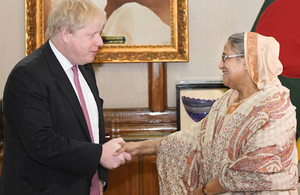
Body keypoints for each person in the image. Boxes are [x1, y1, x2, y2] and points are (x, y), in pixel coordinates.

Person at [115, 32, 299, 194]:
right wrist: (145, 147)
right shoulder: (227, 100)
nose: (220, 64)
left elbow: (255, 168)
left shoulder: (276, 106)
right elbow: (197, 138)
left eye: (225, 57)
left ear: (248, 61)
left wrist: (206, 191)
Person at [0, 0, 131, 194]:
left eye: (100, 34)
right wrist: (99, 155)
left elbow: (92, 129)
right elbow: (41, 143)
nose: (100, 42)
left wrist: (100, 180)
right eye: (92, 35)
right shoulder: (28, 75)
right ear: (65, 34)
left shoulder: (84, 67)